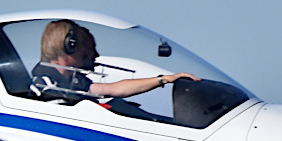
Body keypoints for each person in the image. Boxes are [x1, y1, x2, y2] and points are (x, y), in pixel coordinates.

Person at [30, 20, 198, 104]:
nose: (95, 54)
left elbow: (115, 89)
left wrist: (163, 79)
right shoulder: (44, 84)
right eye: (89, 48)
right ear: (70, 46)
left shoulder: (74, 82)